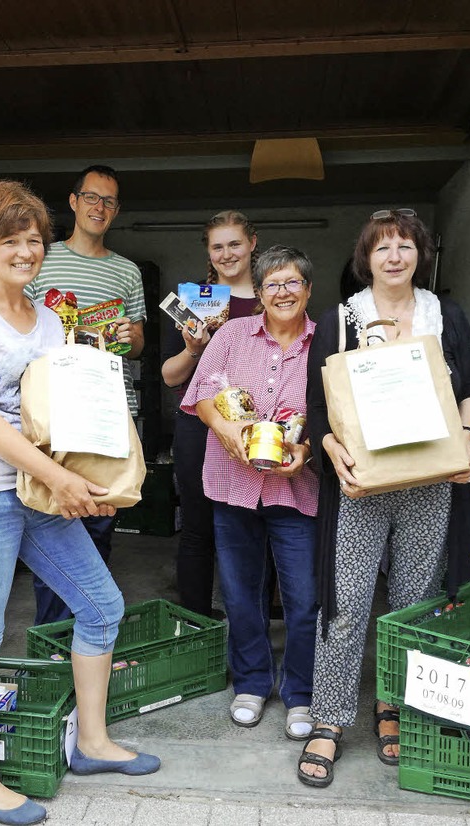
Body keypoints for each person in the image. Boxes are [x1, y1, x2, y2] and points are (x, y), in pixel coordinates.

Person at [0, 181, 159, 826]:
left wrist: (92, 474)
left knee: (102, 605)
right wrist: (57, 481)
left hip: (35, 492)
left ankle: (91, 741)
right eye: (11, 240)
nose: (27, 250)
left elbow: (62, 412)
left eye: (34, 239)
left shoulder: (48, 318)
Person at [298, 208, 470, 789]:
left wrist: (466, 441)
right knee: (345, 604)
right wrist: (334, 452)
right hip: (361, 483)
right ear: (366, 259)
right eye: (383, 248)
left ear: (420, 255)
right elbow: (317, 407)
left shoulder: (445, 316)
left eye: (405, 245)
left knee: (413, 605)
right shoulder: (339, 321)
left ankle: (393, 708)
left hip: (431, 482)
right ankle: (328, 720)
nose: (395, 256)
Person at [181, 245, 319, 738]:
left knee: (304, 598)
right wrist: (225, 431)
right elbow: (199, 397)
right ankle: (253, 683)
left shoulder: (323, 344)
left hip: (296, 489)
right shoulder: (233, 335)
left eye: (292, 282)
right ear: (258, 293)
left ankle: (301, 692)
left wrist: (309, 453)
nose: (282, 292)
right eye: (272, 284)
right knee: (241, 593)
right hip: (232, 483)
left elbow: (333, 416)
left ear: (308, 289)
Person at [25, 164, 146, 625]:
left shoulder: (127, 271)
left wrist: (126, 333)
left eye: (110, 201)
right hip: (56, 411)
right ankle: (53, 641)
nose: (100, 208)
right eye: (92, 197)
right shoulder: (41, 259)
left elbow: (137, 345)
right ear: (73, 202)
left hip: (110, 411)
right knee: (53, 524)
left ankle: (89, 635)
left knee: (99, 522)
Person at [161, 210, 260, 619]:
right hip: (197, 424)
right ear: (208, 251)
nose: (227, 253)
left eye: (234, 243)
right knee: (198, 529)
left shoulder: (272, 296)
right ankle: (197, 623)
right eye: (217, 246)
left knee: (255, 527)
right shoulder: (191, 302)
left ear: (252, 243)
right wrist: (193, 349)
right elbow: (169, 377)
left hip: (256, 424)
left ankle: (251, 623)